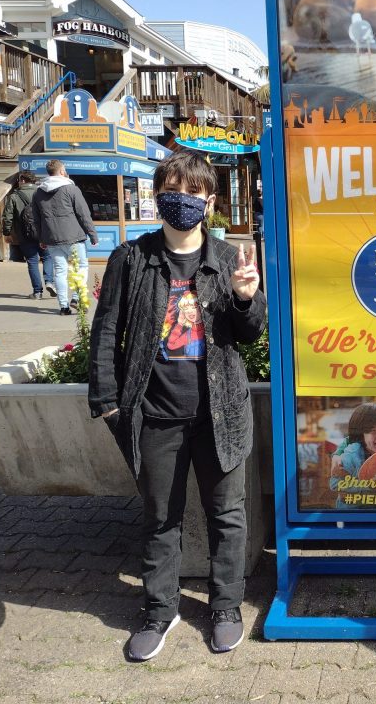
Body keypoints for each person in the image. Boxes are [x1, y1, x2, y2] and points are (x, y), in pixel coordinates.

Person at [88, 150, 267, 660]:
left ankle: (226, 606)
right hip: (155, 415)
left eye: (192, 192)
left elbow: (250, 334)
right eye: (171, 190)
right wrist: (107, 403)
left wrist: (245, 298)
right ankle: (159, 610)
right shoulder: (131, 258)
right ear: (157, 196)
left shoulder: (229, 259)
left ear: (209, 201)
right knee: (159, 517)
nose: (180, 200)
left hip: (220, 413)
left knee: (226, 515)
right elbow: (107, 334)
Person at [32, 159, 98, 315]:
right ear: (62, 171)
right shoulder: (71, 189)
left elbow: (36, 218)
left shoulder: (38, 192)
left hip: (51, 238)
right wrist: (92, 234)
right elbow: (83, 214)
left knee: (60, 271)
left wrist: (41, 238)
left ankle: (63, 307)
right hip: (74, 237)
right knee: (81, 267)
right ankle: (76, 298)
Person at [329, 402, 376, 506]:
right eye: (373, 431)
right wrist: (366, 486)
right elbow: (334, 484)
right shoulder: (351, 455)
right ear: (361, 435)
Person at [1, 171, 54, 300]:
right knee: (47, 257)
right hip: (43, 233)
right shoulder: (42, 194)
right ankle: (49, 281)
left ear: (23, 180)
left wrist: (7, 233)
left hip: (24, 234)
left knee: (32, 261)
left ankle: (37, 292)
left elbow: (7, 217)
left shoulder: (14, 196)